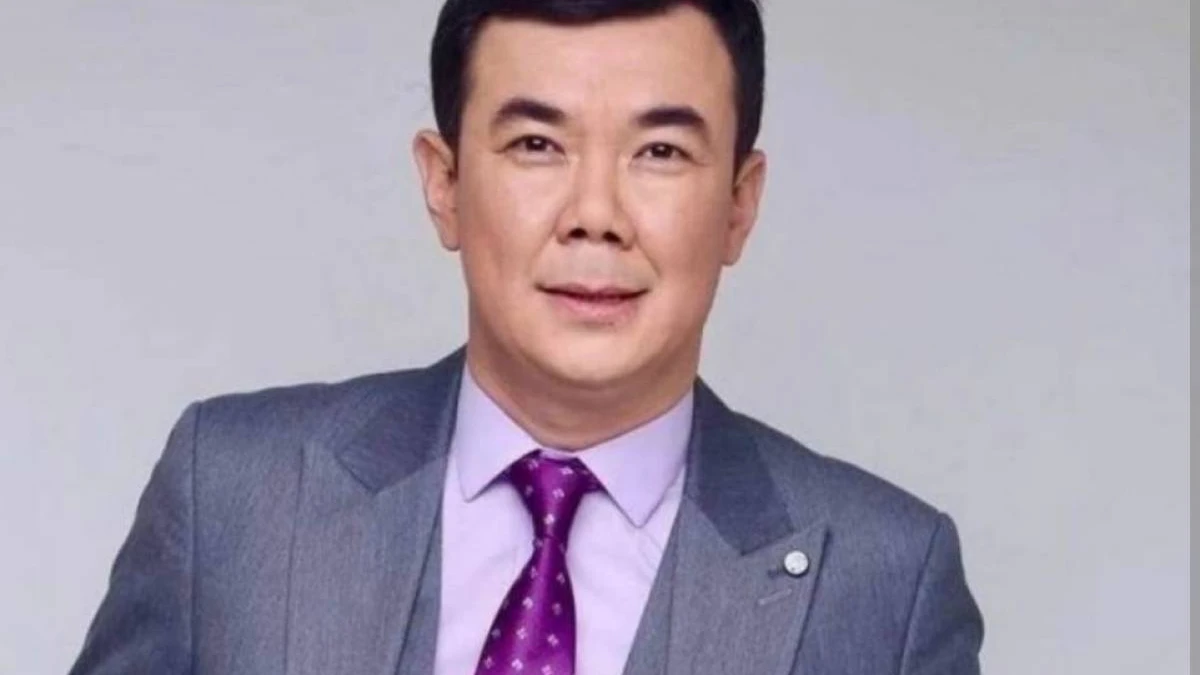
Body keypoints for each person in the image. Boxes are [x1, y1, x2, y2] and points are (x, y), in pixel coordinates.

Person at [69, 1, 984, 673]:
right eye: (537, 145)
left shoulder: (886, 580)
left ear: (740, 205)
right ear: (444, 184)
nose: (596, 214)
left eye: (660, 151)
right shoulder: (233, 493)